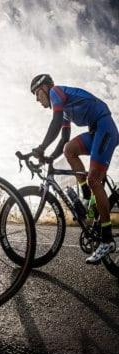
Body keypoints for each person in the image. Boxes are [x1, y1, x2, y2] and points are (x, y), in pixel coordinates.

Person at [30, 74, 119, 263]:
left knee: (94, 180)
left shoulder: (56, 92)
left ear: (44, 87)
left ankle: (107, 239)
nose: (37, 99)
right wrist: (49, 157)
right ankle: (87, 197)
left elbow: (53, 125)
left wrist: (41, 147)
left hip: (105, 127)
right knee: (69, 149)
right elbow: (63, 137)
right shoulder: (64, 111)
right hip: (96, 131)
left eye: (37, 94)